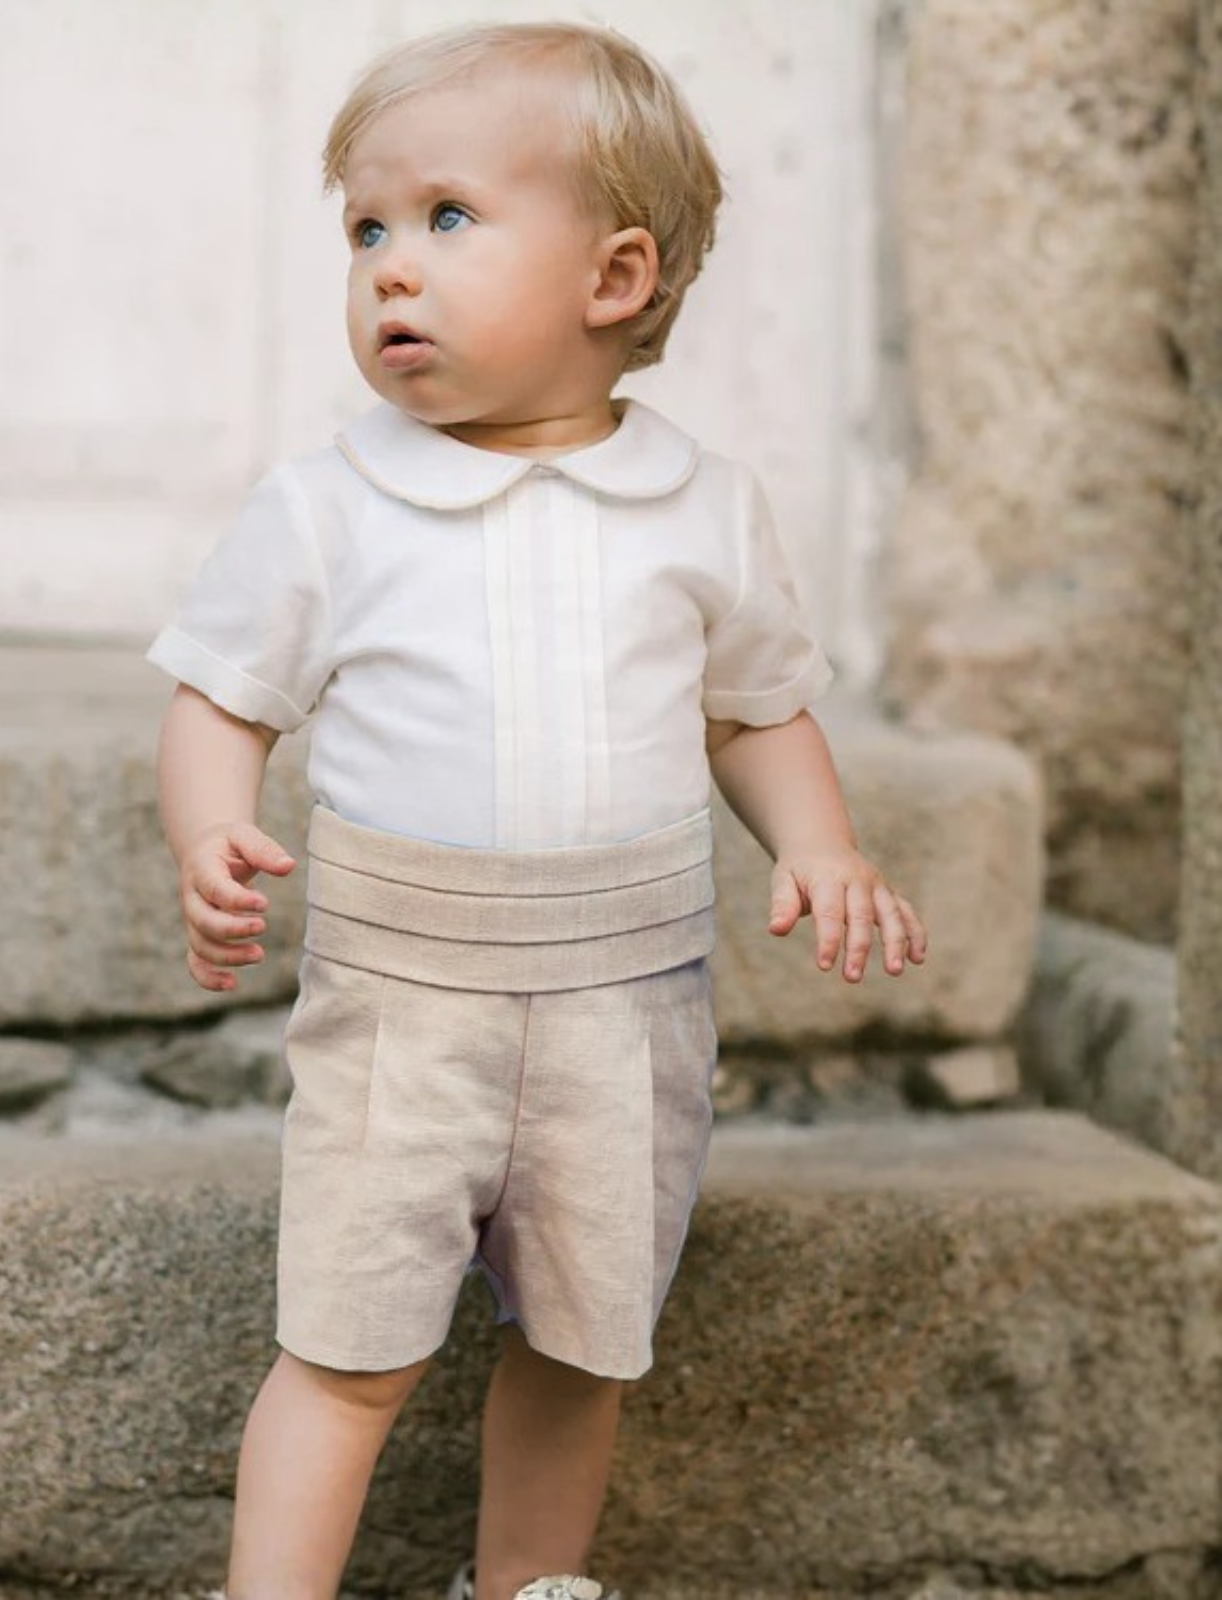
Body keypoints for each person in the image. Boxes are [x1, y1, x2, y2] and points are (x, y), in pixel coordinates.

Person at [149, 21, 927, 1600]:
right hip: (403, 1006)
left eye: (444, 218)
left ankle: (528, 1587)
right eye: (364, 228)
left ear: (616, 277)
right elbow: (221, 691)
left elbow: (751, 705)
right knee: (348, 1349)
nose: (388, 268)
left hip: (620, 1011)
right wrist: (210, 822)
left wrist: (823, 844)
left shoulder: (701, 507)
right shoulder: (331, 504)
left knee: (583, 1344)